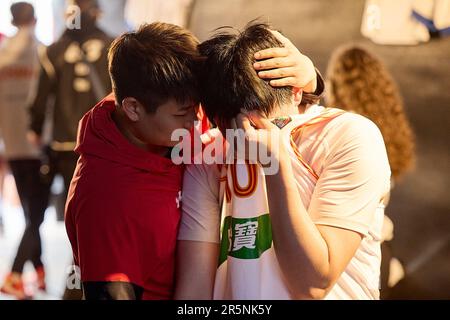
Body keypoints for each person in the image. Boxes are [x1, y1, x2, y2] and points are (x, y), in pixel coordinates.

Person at [64, 20, 318, 300]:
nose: (197, 120)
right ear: (133, 108)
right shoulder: (105, 200)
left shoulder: (166, 111)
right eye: (183, 112)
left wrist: (310, 78)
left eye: (197, 107)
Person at [175, 22, 391, 300]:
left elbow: (313, 284)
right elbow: (194, 289)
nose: (248, 135)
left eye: (275, 122)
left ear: (297, 92)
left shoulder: (348, 134)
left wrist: (275, 164)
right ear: (216, 121)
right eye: (233, 128)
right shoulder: (209, 151)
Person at [325, 44, 415, 298]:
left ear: (338, 85)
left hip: (352, 254)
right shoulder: (387, 128)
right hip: (379, 247)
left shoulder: (346, 134)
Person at [28, 0, 113, 223]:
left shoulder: (53, 50)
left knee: (75, 204)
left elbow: (42, 96)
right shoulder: (114, 46)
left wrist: (35, 128)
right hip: (104, 139)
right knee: (104, 203)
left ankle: (78, 254)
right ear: (97, 13)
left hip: (66, 139)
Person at [0, 2, 49, 300]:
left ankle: (40, 269)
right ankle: (15, 274)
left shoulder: (2, 56)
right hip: (38, 145)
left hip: (12, 144)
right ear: (35, 19)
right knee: (36, 216)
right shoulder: (43, 52)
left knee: (33, 211)